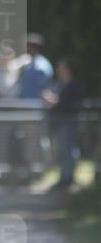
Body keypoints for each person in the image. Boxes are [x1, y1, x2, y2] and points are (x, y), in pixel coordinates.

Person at [42, 57, 84, 189]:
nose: (60, 72)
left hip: (70, 123)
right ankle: (63, 177)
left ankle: (69, 177)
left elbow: (67, 104)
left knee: (69, 150)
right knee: (61, 151)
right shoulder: (58, 85)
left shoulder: (74, 85)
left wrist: (54, 101)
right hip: (58, 123)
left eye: (62, 69)